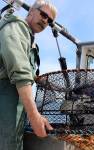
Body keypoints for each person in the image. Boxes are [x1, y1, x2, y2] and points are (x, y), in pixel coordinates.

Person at [0, 0, 57, 149]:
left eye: (49, 20)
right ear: (31, 10)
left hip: (16, 113)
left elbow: (22, 70)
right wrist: (34, 116)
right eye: (43, 14)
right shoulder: (16, 27)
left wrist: (38, 79)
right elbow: (20, 72)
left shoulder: (30, 40)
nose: (45, 21)